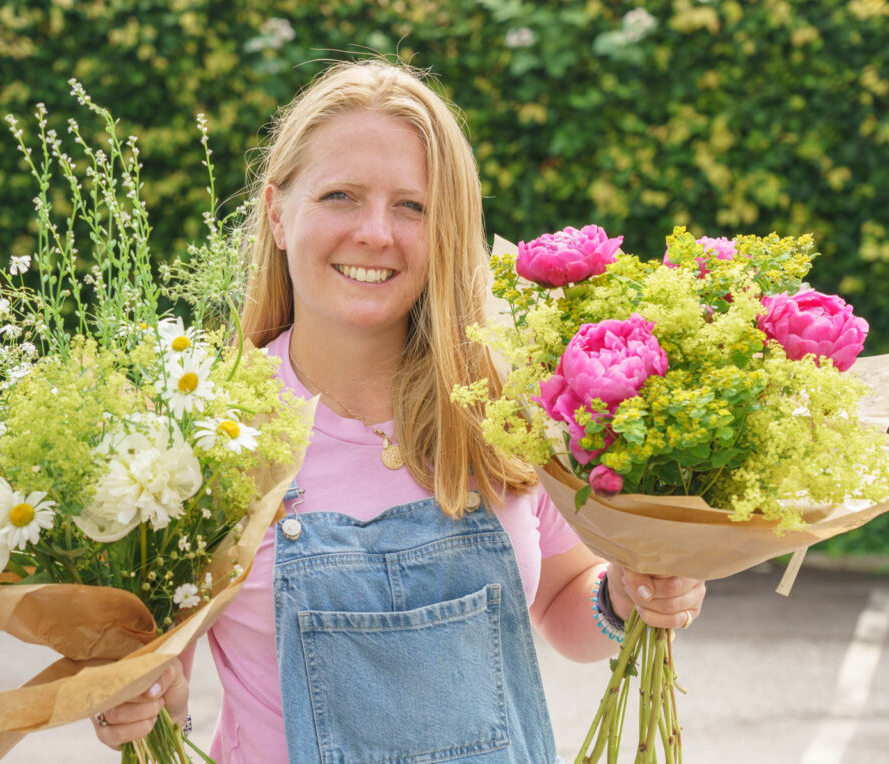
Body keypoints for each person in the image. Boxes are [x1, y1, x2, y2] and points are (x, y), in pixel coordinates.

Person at [93, 59, 706, 762]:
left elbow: (566, 597)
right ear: (277, 214)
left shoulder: (501, 405)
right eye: (341, 196)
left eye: (411, 206)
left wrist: (625, 597)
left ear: (445, 227)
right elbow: (166, 673)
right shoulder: (208, 428)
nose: (376, 233)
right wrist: (136, 697)